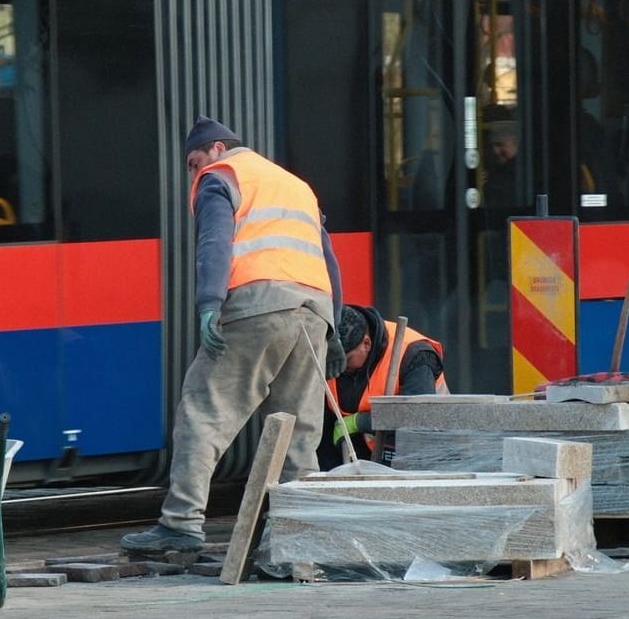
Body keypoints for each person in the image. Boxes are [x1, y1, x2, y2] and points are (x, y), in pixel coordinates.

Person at [122, 117, 342, 553]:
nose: (193, 171)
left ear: (217, 149)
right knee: (298, 430)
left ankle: (181, 522)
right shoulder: (295, 185)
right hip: (313, 311)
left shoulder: (219, 177)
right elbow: (328, 257)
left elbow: (214, 242)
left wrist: (208, 303)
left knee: (204, 410)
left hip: (259, 306)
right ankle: (306, 532)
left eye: (193, 161)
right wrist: (333, 325)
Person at [319, 304, 448, 470]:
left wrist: (360, 422)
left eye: (347, 360)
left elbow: (419, 417)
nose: (340, 367)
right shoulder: (327, 353)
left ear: (366, 343)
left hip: (421, 458)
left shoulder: (414, 353)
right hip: (361, 455)